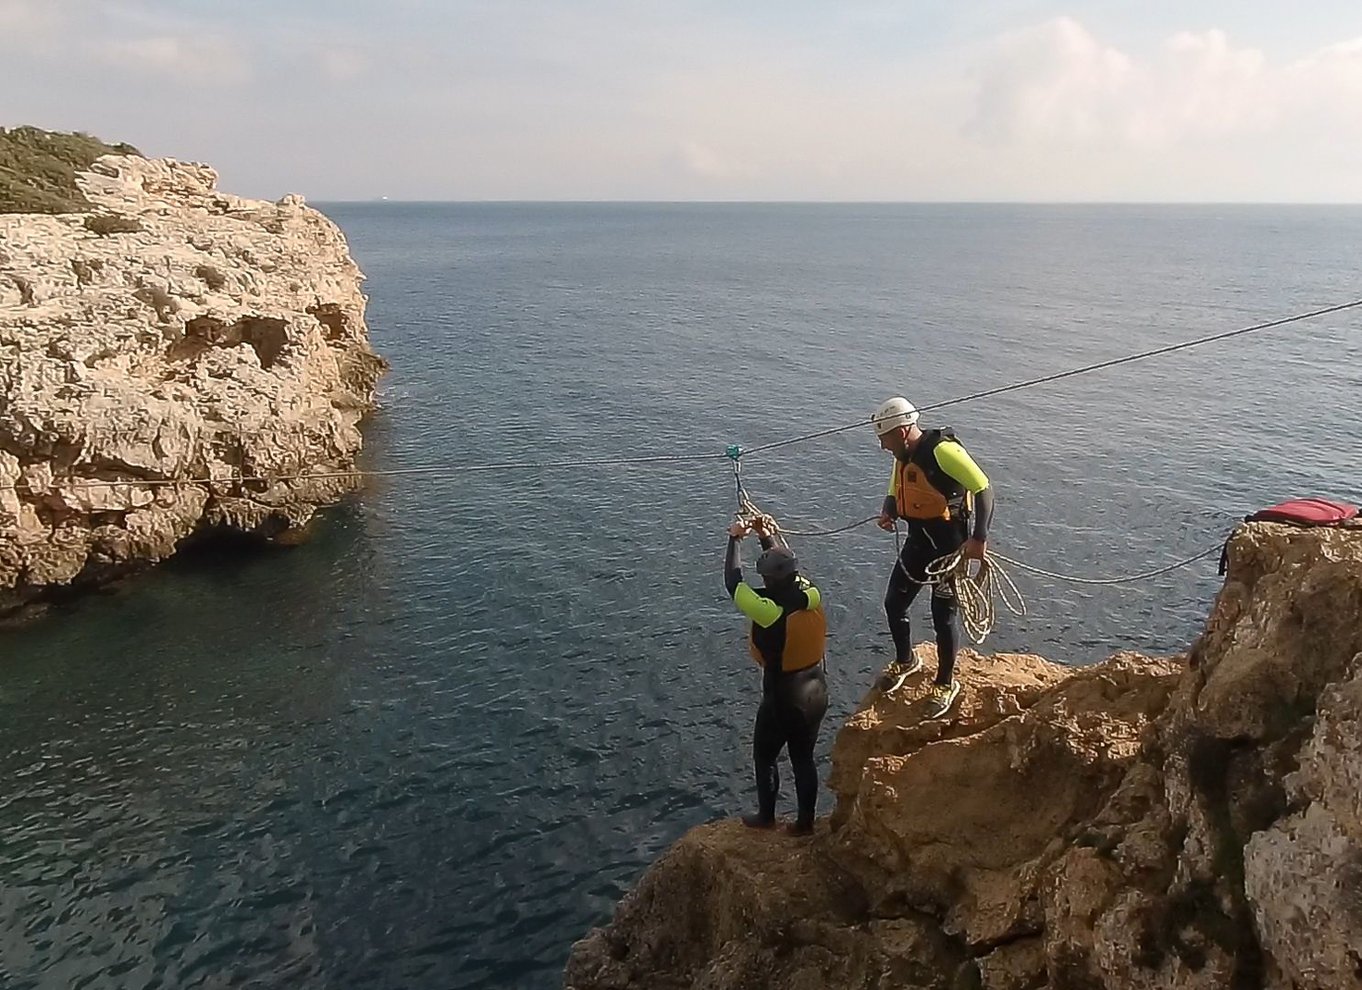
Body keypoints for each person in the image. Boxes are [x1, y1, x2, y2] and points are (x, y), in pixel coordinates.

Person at [871, 395, 995, 718]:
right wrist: (889, 509)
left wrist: (978, 538)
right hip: (918, 541)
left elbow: (983, 488)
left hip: (949, 547)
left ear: (900, 431)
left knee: (943, 617)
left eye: (884, 439)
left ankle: (944, 683)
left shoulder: (942, 451)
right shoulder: (903, 454)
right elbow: (895, 485)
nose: (883, 447)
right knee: (894, 603)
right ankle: (906, 660)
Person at [724, 515, 829, 836]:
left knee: (765, 755)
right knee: (803, 758)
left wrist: (735, 538)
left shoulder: (768, 610)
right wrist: (766, 537)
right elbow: (784, 570)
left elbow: (733, 582)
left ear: (769, 579)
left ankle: (767, 817)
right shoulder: (811, 593)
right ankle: (805, 824)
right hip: (816, 689)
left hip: (785, 694)